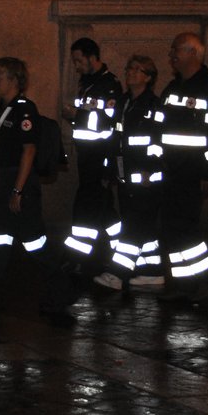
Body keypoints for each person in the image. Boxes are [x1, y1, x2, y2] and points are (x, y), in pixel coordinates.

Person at [155, 32, 208, 300]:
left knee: (186, 228)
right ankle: (184, 284)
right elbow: (159, 128)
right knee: (172, 229)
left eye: (176, 49)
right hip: (170, 170)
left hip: (193, 172)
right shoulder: (172, 89)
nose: (171, 55)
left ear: (193, 53)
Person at [0, 58, 48, 313]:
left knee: (34, 244)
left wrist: (17, 190)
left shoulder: (24, 109)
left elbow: (28, 151)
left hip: (17, 182)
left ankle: (59, 292)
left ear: (14, 79)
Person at [100, 54, 166, 289]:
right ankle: (152, 272)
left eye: (137, 69)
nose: (130, 72)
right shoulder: (123, 102)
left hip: (145, 178)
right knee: (142, 225)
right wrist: (110, 171)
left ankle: (117, 273)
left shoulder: (153, 105)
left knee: (134, 225)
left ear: (148, 77)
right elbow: (115, 138)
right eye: (129, 67)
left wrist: (151, 170)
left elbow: (160, 141)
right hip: (124, 174)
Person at [62, 38, 123, 265]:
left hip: (101, 157)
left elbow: (108, 122)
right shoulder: (86, 83)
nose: (76, 66)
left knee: (87, 205)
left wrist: (75, 116)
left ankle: (78, 256)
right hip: (87, 156)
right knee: (103, 207)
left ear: (92, 57)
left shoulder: (109, 85)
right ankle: (121, 247)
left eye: (79, 61)